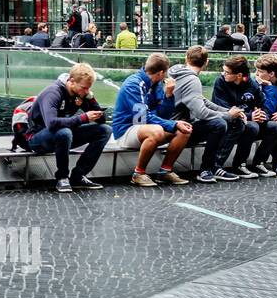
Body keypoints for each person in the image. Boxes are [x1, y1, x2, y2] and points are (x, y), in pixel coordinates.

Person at [24, 63, 111, 193]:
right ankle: (62, 177)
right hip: (37, 137)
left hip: (63, 136)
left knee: (105, 130)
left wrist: (91, 99)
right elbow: (51, 123)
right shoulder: (53, 92)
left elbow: (101, 120)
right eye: (84, 88)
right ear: (71, 81)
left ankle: (78, 176)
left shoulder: (81, 93)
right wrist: (83, 118)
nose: (86, 91)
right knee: (64, 132)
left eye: (89, 88)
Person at [110, 52, 192, 186]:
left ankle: (165, 172)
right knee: (157, 131)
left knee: (185, 130)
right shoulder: (134, 84)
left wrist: (169, 95)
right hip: (125, 131)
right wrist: (174, 123)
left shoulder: (156, 85)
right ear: (161, 73)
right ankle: (138, 174)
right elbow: (141, 118)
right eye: (165, 73)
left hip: (145, 127)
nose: (166, 76)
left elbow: (163, 116)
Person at [169, 46, 244, 182]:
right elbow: (202, 112)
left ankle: (215, 167)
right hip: (177, 129)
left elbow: (203, 101)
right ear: (206, 62)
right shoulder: (192, 80)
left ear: (186, 58)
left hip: (171, 124)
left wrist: (227, 111)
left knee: (229, 121)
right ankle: (207, 169)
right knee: (219, 124)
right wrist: (228, 116)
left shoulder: (179, 72)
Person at [212, 55, 277, 177]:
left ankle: (258, 163)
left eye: (227, 72)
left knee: (275, 127)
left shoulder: (251, 84)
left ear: (239, 75)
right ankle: (239, 165)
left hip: (249, 120)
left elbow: (262, 104)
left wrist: (262, 115)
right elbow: (224, 110)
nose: (223, 74)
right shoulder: (221, 82)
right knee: (252, 127)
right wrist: (250, 116)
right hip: (230, 122)